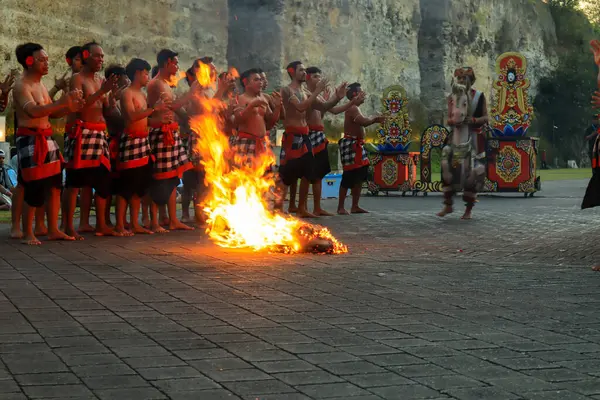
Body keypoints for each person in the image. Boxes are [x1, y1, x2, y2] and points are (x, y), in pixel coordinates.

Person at [12, 42, 83, 245]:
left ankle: (53, 229)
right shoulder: (21, 85)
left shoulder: (41, 85)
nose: (46, 63)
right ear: (28, 61)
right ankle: (28, 233)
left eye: (47, 59)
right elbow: (33, 111)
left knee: (54, 186)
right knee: (33, 186)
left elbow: (51, 113)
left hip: (47, 138)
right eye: (41, 60)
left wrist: (70, 107)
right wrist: (62, 102)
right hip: (30, 139)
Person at [64, 41, 122, 239]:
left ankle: (101, 225)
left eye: (103, 56)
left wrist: (113, 99)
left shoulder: (99, 80)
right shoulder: (76, 79)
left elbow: (106, 109)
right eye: (97, 56)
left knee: (103, 180)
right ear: (86, 56)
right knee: (75, 182)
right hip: (82, 133)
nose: (101, 60)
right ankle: (69, 226)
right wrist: (102, 92)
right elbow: (78, 106)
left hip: (99, 135)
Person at [113, 58, 167, 236]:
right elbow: (131, 116)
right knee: (126, 186)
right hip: (131, 142)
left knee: (139, 187)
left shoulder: (142, 94)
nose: (146, 77)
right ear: (137, 73)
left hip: (143, 142)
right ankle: (120, 225)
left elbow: (144, 119)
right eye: (145, 73)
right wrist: (154, 109)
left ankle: (135, 223)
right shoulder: (127, 93)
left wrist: (160, 121)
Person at [146, 48, 195, 232]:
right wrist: (191, 93)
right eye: (175, 62)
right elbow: (171, 106)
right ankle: (155, 221)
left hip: (172, 133)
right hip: (160, 134)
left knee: (173, 177)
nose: (177, 66)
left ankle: (173, 219)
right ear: (166, 63)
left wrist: (190, 122)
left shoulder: (166, 83)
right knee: (159, 178)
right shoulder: (156, 84)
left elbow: (175, 109)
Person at [292, 66, 351, 215]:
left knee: (318, 175)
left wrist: (345, 99)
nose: (319, 79)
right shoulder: (305, 94)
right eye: (315, 77)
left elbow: (330, 110)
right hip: (309, 136)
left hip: (319, 135)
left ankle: (317, 208)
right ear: (307, 79)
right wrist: (335, 98)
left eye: (319, 76)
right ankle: (301, 208)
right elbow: (322, 107)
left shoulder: (317, 96)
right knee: (307, 174)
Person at [277, 61, 327, 217]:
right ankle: (279, 209)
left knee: (307, 173)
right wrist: (317, 91)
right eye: (301, 70)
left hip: (305, 137)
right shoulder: (287, 90)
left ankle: (302, 208)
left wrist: (338, 97)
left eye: (305, 70)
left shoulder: (305, 91)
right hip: (292, 137)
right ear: (292, 71)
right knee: (287, 174)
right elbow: (300, 107)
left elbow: (326, 106)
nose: (304, 73)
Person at [437, 68, 487, 220]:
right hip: (456, 134)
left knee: (475, 170)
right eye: (459, 78)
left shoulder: (478, 96)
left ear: (470, 80)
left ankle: (468, 209)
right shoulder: (452, 96)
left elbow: (485, 117)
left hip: (474, 136)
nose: (461, 81)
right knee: (446, 162)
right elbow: (449, 117)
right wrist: (452, 121)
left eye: (464, 78)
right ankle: (448, 203)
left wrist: (473, 120)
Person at [337, 83, 382, 215]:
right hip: (351, 145)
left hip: (357, 145)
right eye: (362, 93)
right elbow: (363, 121)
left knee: (359, 175)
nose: (365, 95)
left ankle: (355, 206)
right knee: (349, 176)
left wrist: (374, 119)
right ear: (355, 95)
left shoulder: (355, 108)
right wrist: (375, 119)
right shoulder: (352, 109)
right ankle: (340, 207)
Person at [232, 68, 281, 168]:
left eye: (261, 80)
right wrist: (251, 106)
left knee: (264, 178)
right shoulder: (239, 99)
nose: (261, 82)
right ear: (246, 82)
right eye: (256, 80)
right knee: (245, 178)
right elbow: (237, 120)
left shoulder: (263, 99)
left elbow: (269, 125)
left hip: (262, 143)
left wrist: (277, 108)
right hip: (246, 143)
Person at [103, 65, 130, 227]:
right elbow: (116, 119)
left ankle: (122, 218)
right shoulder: (108, 97)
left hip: (124, 142)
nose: (127, 81)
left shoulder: (122, 97)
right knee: (109, 185)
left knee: (123, 184)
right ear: (117, 78)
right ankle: (105, 219)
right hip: (114, 144)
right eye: (125, 77)